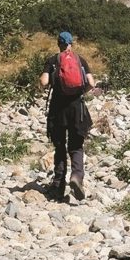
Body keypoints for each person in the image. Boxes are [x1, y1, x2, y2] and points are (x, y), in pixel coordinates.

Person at [39, 31, 97, 201]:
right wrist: (80, 92)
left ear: (59, 44)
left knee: (60, 147)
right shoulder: (81, 60)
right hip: (77, 108)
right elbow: (91, 83)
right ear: (72, 43)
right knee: (76, 145)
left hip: (58, 109)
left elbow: (43, 82)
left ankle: (58, 185)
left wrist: (41, 84)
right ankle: (77, 177)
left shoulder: (53, 60)